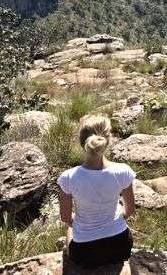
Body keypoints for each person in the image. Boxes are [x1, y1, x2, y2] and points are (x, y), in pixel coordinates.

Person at [57, 114, 136, 269]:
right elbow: (130, 211)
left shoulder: (68, 177)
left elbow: (66, 217)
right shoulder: (123, 171)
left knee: (71, 227)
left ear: (82, 142)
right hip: (120, 246)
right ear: (107, 140)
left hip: (84, 253)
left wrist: (79, 223)